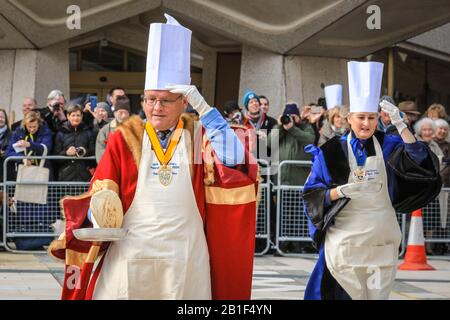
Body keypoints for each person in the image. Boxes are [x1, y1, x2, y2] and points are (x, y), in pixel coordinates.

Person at [49, 14, 258, 300]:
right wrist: (96, 218)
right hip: (131, 250)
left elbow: (237, 164)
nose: (156, 107)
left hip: (186, 253)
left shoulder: (197, 133)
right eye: (150, 99)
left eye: (165, 100)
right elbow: (102, 188)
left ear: (184, 101)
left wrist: (208, 112)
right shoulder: (125, 136)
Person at [302, 61, 441, 300]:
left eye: (371, 117)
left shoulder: (388, 144)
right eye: (361, 117)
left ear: (378, 118)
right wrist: (340, 192)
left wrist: (402, 126)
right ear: (349, 118)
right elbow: (312, 193)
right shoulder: (331, 151)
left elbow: (419, 161)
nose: (366, 124)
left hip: (381, 240)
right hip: (344, 240)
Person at [5, 111, 54, 250]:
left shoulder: (46, 132)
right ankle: (24, 239)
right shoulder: (17, 132)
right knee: (24, 206)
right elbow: (9, 152)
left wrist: (29, 145)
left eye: (34, 126)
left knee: (39, 207)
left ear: (38, 124)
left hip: (41, 173)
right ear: (25, 124)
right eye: (29, 126)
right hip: (23, 174)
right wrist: (22, 158)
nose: (32, 129)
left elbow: (47, 148)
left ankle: (38, 240)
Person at [53, 104, 95, 182]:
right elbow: (55, 157)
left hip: (84, 176)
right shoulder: (61, 133)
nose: (76, 118)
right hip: (65, 176)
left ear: (82, 116)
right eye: (73, 115)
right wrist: (66, 153)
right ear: (68, 116)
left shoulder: (88, 132)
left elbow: (93, 152)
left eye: (78, 115)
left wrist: (85, 151)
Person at [95, 96, 131, 163]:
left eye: (125, 113)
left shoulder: (135, 129)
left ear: (129, 114)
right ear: (115, 113)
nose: (123, 116)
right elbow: (101, 153)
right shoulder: (105, 130)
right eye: (120, 112)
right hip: (110, 167)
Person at [0, 109, 11, 181]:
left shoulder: (12, 134)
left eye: (2, 117)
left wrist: (3, 153)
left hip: (5, 170)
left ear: (5, 119)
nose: (0, 119)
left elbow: (14, 151)